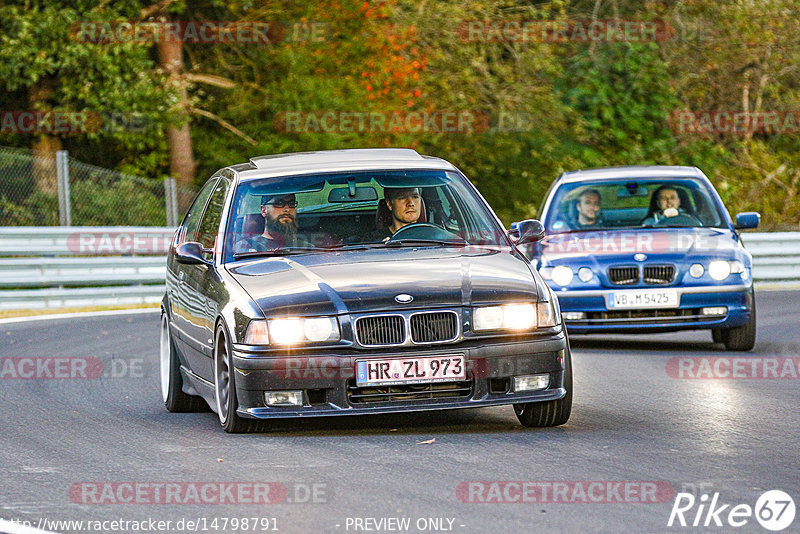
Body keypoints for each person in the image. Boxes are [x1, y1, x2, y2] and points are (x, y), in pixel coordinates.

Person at [235, 193, 309, 252]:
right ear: (264, 210)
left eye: (292, 204)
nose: (287, 209)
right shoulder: (245, 247)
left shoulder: (306, 248)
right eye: (279, 203)